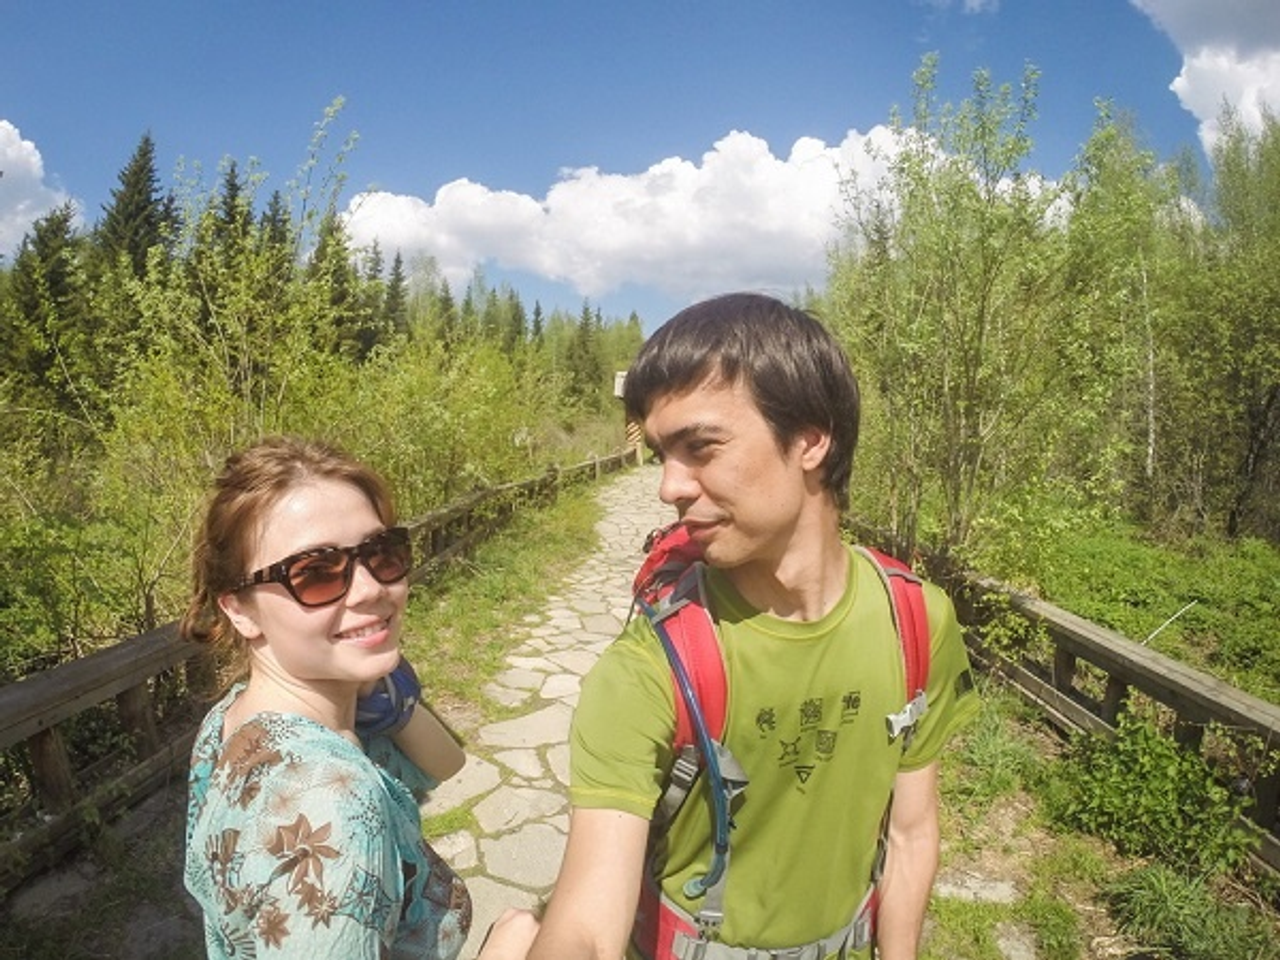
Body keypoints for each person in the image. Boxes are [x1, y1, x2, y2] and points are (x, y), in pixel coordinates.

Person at [527, 293, 981, 960]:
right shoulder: (650, 666)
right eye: (662, 454)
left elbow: (911, 833)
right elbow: (589, 929)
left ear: (811, 439)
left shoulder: (914, 621)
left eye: (700, 447)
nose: (670, 487)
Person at [181, 435, 538, 960]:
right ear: (239, 610)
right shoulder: (331, 812)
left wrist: (383, 695)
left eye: (380, 552)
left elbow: (446, 763)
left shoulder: (233, 719)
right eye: (315, 573)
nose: (371, 588)